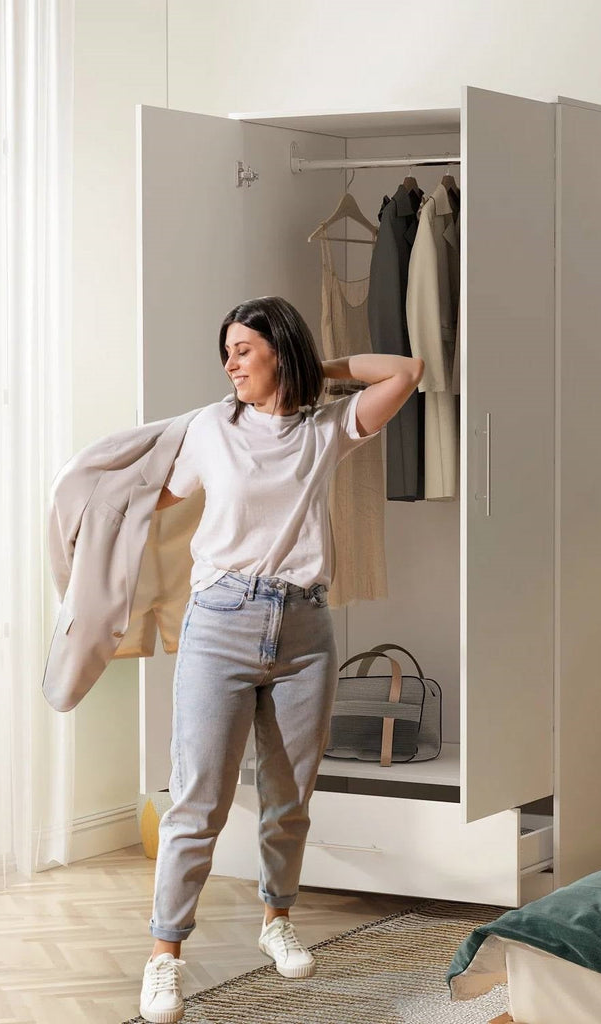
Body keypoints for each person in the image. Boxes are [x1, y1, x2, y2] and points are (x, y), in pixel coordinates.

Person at [138, 295, 423, 1023]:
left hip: (304, 633)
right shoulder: (210, 428)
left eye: (243, 349)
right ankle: (164, 958)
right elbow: (156, 499)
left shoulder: (323, 430)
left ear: (278, 353)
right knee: (197, 801)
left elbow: (407, 371)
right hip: (221, 626)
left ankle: (277, 921)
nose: (230, 364)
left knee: (289, 798)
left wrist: (311, 370)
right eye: (226, 352)